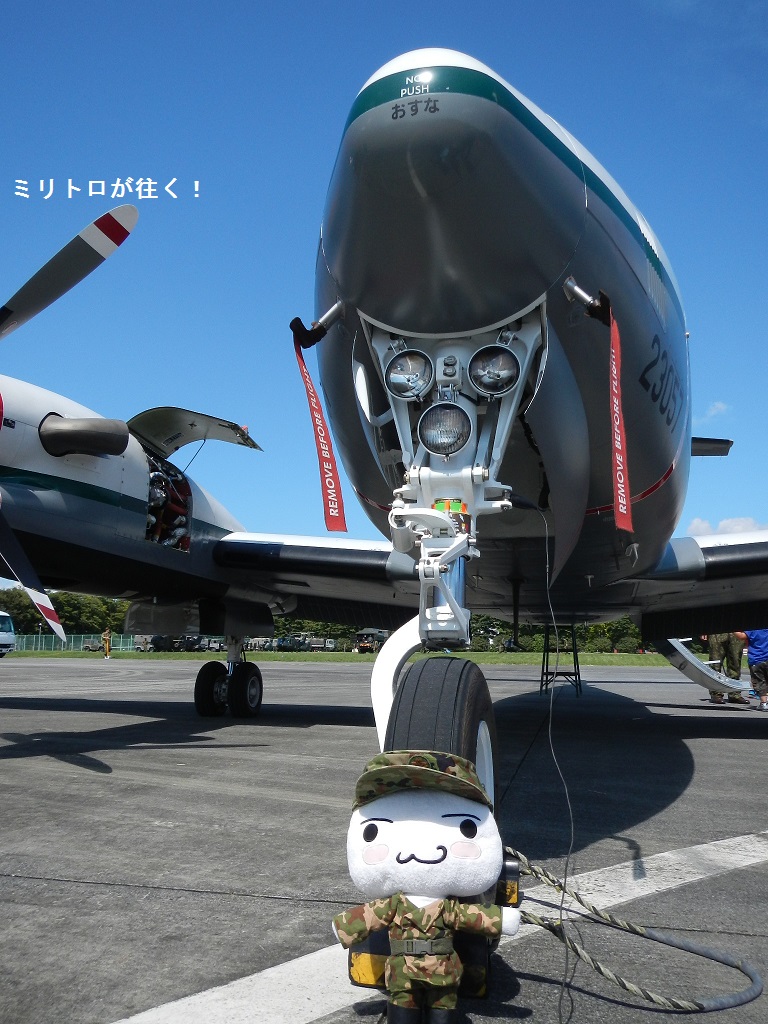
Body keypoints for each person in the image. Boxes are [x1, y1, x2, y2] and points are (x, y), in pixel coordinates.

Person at [333, 751, 520, 1024]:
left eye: (467, 827)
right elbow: (368, 917)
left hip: (443, 975)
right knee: (402, 1016)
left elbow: (472, 917)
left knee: (442, 1015)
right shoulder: (396, 906)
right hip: (403, 977)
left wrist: (503, 920)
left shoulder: (447, 909)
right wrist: (343, 927)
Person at [703, 633, 748, 704]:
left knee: (735, 663)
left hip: (736, 631)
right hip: (717, 632)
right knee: (715, 663)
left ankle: (734, 694)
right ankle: (716, 694)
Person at [733, 630, 768, 711]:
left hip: (756, 659)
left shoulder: (753, 629)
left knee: (760, 682)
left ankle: (764, 703)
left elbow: (741, 636)